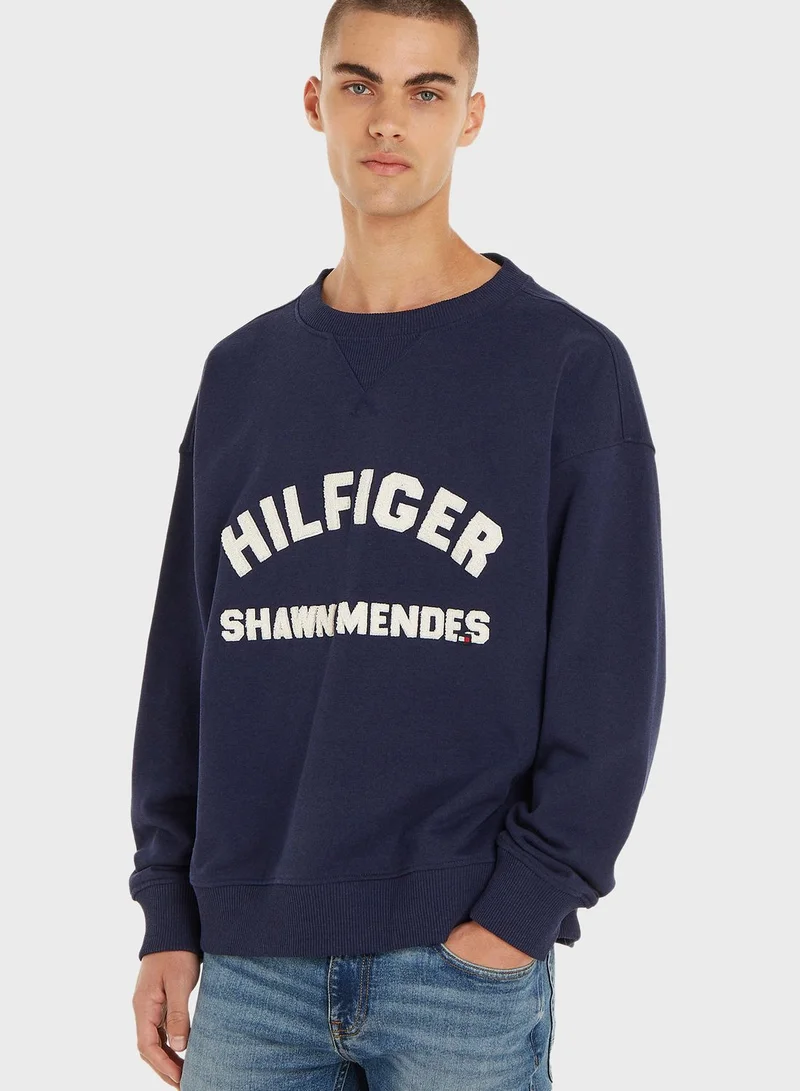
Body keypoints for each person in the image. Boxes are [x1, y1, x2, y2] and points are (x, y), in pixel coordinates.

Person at [129, 1, 667, 1088]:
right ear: (314, 102)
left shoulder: (567, 366)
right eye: (360, 83)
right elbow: (184, 661)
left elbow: (612, 676)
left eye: (426, 92)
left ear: (470, 116)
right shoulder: (241, 375)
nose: (388, 120)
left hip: (457, 965)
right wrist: (167, 911)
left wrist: (519, 910)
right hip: (249, 966)